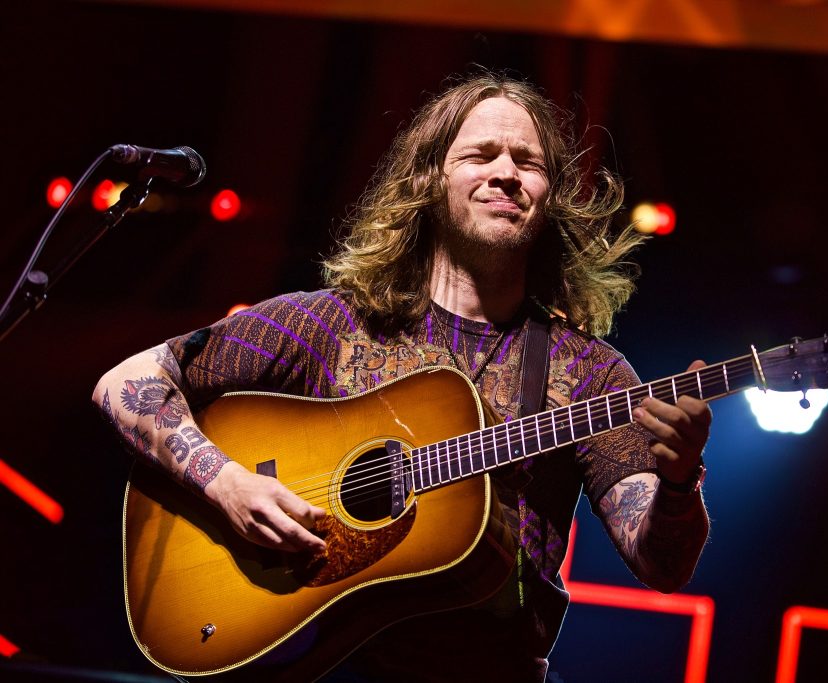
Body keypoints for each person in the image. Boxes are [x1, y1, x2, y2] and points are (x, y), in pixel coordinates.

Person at [94, 73, 711, 682]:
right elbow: (125, 382)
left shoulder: (590, 375)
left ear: (551, 196)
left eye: (529, 162)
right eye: (479, 154)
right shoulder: (328, 324)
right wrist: (227, 483)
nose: (506, 173)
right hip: (324, 667)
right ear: (429, 180)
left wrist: (680, 483)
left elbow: (662, 565)